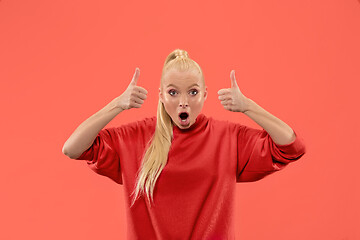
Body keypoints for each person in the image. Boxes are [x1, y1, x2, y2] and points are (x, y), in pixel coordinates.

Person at [62, 48, 306, 240]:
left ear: (204, 94)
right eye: (172, 92)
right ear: (160, 95)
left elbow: (291, 147)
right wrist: (117, 104)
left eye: (192, 92)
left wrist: (248, 107)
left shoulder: (227, 137)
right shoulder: (134, 138)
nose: (183, 102)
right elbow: (72, 148)